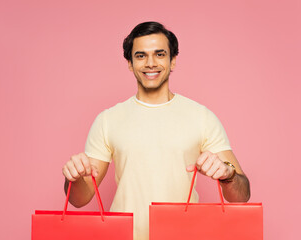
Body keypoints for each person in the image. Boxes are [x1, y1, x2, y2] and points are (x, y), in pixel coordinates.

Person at [62, 21, 250, 240]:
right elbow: (79, 199)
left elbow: (242, 196)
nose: (150, 63)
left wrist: (227, 175)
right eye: (141, 56)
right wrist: (73, 178)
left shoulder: (201, 117)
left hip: (184, 236)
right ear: (130, 64)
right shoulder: (108, 120)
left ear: (173, 61)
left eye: (160, 54)